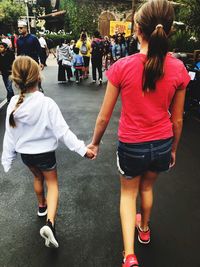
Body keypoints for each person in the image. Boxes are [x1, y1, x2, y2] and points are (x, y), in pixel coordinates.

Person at [87, 1, 190, 266]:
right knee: (147, 188)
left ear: (137, 30)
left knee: (128, 194)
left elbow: (104, 116)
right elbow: (177, 120)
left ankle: (129, 255)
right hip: (162, 143)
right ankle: (144, 229)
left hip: (132, 145)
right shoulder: (178, 69)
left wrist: (95, 143)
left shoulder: (122, 66)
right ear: (167, 32)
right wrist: (174, 149)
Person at [1, 56, 95, 249]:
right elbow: (63, 132)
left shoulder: (12, 104)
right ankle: (50, 224)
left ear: (16, 80)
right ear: (39, 77)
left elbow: (9, 136)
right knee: (52, 184)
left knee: (37, 178)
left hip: (26, 155)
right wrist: (83, 150)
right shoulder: (47, 104)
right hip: (45, 154)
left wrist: (7, 160)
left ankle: (41, 207)